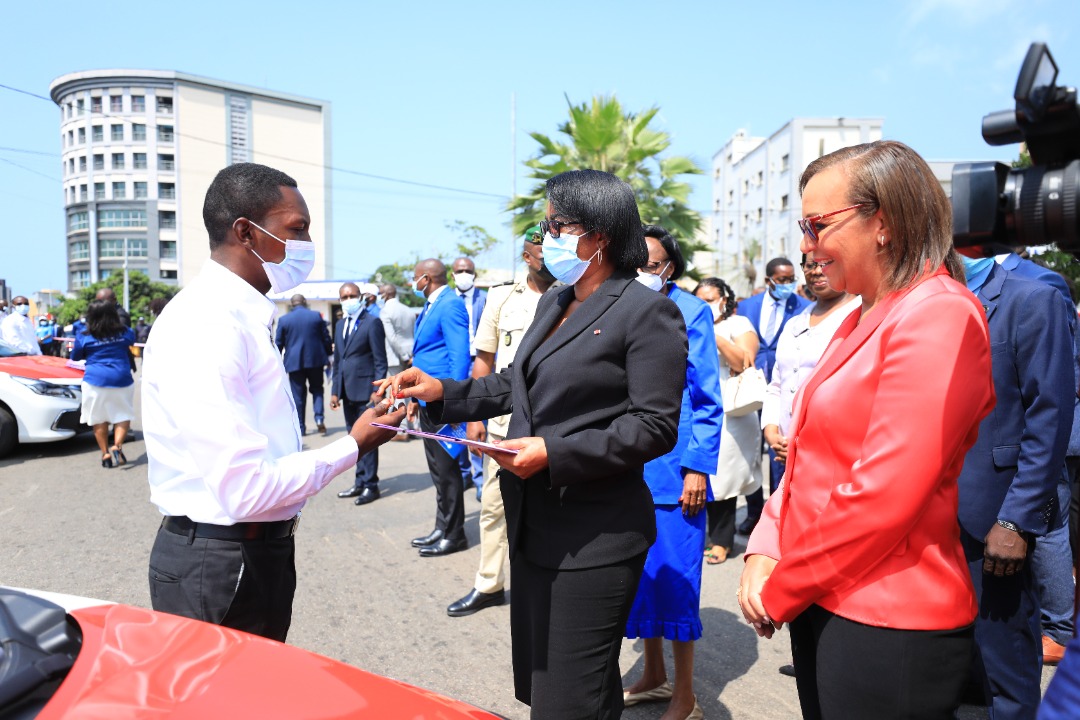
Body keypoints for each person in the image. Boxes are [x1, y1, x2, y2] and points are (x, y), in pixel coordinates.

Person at [384, 169, 687, 719]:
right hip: (534, 524)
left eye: (558, 225)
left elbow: (654, 425)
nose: (547, 237)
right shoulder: (556, 300)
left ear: (598, 235)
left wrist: (557, 453)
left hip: (594, 537)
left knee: (569, 699)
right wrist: (443, 392)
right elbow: (513, 383)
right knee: (559, 688)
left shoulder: (646, 311)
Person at [738, 140, 996, 719]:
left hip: (888, 618)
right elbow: (806, 460)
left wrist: (782, 587)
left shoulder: (939, 313)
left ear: (882, 222)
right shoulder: (862, 315)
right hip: (824, 599)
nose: (805, 247)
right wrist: (764, 547)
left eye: (816, 225)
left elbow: (884, 495)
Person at [142, 162, 404, 642]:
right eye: (296, 229)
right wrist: (354, 444)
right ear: (246, 232)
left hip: (250, 553)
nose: (306, 246)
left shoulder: (243, 316)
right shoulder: (208, 324)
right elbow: (245, 490)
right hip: (220, 562)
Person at [955, 253, 1074, 719]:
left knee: (1003, 662)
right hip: (931, 514)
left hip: (992, 515)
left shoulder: (1034, 296)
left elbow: (1050, 416)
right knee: (952, 661)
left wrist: (1017, 519)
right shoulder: (923, 298)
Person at [622, 225, 720, 720]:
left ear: (670, 268)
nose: (642, 271)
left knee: (678, 582)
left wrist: (697, 468)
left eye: (652, 262)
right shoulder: (618, 302)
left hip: (674, 471)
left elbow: (705, 398)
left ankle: (686, 695)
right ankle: (654, 675)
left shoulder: (692, 311)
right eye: (635, 260)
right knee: (641, 579)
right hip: (626, 466)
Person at [448, 225, 557, 617]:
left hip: (554, 427)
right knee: (493, 507)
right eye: (543, 254)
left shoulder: (575, 294)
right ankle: (489, 584)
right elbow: (485, 360)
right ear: (527, 257)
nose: (552, 260)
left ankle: (549, 588)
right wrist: (475, 416)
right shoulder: (501, 298)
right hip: (504, 424)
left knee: (554, 512)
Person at [761, 258, 860, 495]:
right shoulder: (794, 323)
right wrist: (771, 430)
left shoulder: (860, 318)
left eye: (826, 262)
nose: (816, 271)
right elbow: (778, 384)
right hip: (784, 453)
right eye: (809, 265)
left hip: (831, 457)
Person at [735, 257, 811, 534]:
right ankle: (753, 512)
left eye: (792, 279)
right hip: (750, 390)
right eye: (782, 280)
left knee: (778, 451)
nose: (788, 284)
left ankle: (778, 512)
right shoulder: (746, 307)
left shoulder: (804, 308)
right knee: (749, 453)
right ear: (768, 281)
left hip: (783, 392)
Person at [406, 258, 472, 557]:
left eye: (414, 278)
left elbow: (459, 358)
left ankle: (455, 534)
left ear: (425, 277)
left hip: (442, 401)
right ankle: (442, 526)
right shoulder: (433, 304)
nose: (413, 282)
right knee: (437, 470)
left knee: (448, 470)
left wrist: (454, 404)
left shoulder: (450, 305)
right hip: (425, 400)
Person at [694, 277, 760, 565]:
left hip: (732, 411)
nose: (705, 304)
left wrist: (713, 333)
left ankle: (722, 539)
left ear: (724, 298)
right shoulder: (687, 322)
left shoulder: (738, 323)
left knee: (724, 477)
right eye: (700, 299)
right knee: (699, 471)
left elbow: (743, 362)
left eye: (710, 298)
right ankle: (701, 535)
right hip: (698, 407)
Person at [331, 282, 388, 506]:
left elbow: (379, 360)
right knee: (353, 439)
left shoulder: (372, 322)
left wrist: (377, 390)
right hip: (346, 390)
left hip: (366, 392)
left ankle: (371, 486)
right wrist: (335, 391)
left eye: (352, 295)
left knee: (368, 439)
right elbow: (338, 361)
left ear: (361, 297)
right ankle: (359, 481)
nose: (348, 300)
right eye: (344, 297)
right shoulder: (340, 324)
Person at [72, 299, 135, 468]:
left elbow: (75, 357)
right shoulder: (126, 332)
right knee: (123, 414)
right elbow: (131, 342)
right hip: (121, 378)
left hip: (95, 381)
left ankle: (105, 454)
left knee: (99, 418)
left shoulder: (84, 336)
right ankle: (117, 445)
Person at [452, 256, 488, 495]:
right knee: (456, 418)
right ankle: (462, 472)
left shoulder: (485, 299)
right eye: (460, 270)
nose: (464, 274)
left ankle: (478, 477)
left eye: (468, 270)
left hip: (480, 362)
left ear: (474, 274)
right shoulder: (448, 301)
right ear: (453, 274)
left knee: (477, 418)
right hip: (456, 364)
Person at [275, 294, 332, 435]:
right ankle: (319, 419)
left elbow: (278, 344)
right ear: (305, 302)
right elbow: (326, 338)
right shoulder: (316, 316)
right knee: (317, 389)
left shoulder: (284, 319)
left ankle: (301, 427)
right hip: (316, 360)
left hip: (294, 363)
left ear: (292, 304)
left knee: (298, 396)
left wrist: (278, 364)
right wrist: (329, 355)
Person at [378, 283, 415, 378]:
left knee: (397, 388)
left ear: (385, 294)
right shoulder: (408, 309)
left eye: (380, 293)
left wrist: (404, 357)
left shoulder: (385, 311)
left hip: (396, 357)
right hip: (412, 354)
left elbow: (392, 338)